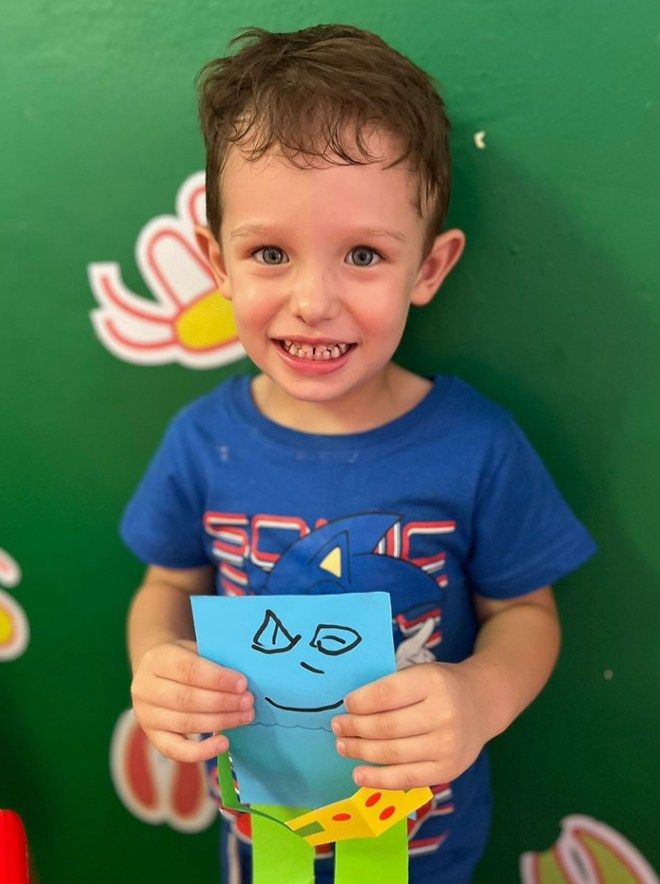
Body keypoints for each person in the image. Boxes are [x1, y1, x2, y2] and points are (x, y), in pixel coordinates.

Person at [121, 24, 597, 883]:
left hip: (427, 852)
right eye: (270, 252)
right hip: (263, 845)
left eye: (365, 255)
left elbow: (528, 615)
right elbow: (166, 588)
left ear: (430, 266)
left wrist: (479, 700)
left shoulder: (477, 447)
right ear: (215, 261)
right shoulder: (201, 441)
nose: (313, 301)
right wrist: (157, 664)